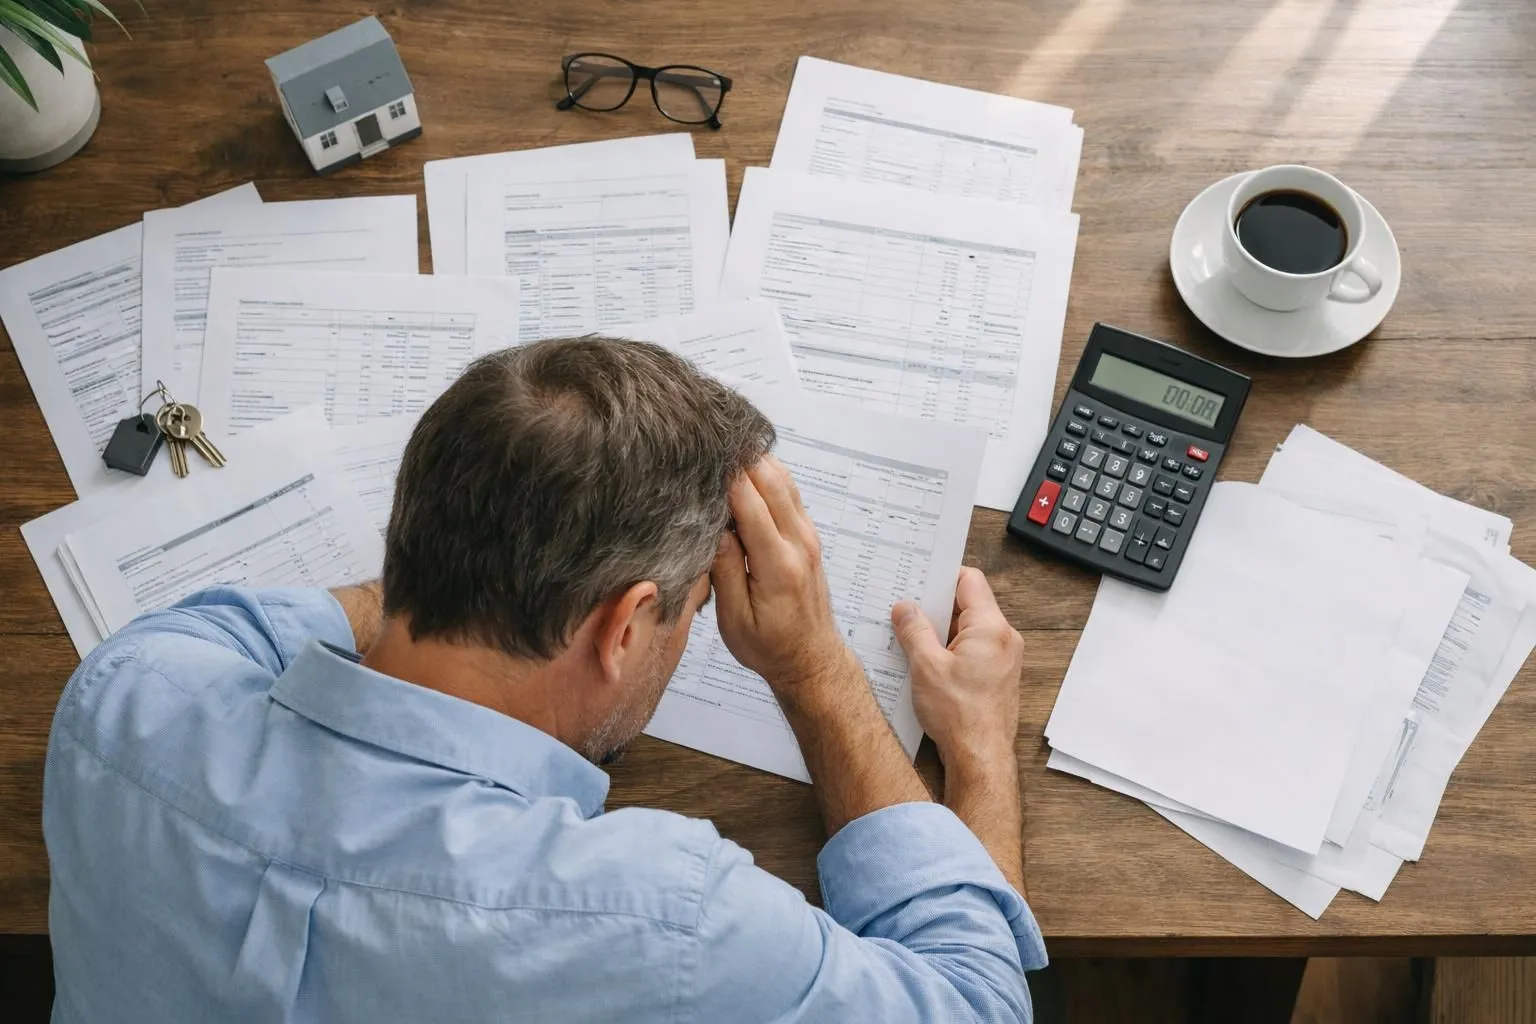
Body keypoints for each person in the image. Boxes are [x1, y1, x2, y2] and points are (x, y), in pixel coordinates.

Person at [43, 338, 1046, 1023]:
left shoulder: (128, 696)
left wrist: (472, 545)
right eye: (692, 610)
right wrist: (867, 693)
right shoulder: (664, 917)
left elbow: (253, 621)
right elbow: (972, 1001)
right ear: (621, 628)